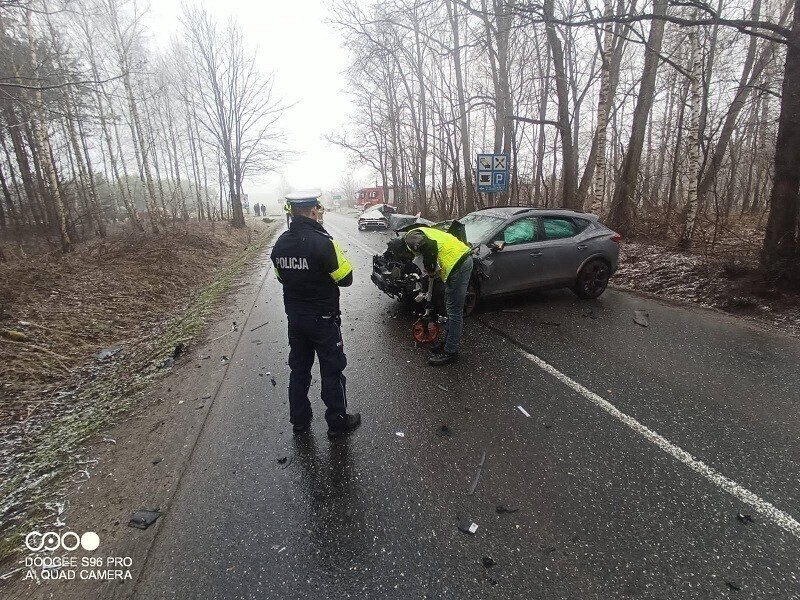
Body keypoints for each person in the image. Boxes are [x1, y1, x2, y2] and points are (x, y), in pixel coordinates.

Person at [271, 191, 361, 437]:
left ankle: (299, 421)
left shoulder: (280, 243)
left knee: (299, 369)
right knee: (332, 370)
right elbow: (346, 279)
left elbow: (281, 277)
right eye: (318, 211)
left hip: (296, 319)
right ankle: (337, 423)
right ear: (313, 212)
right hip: (323, 319)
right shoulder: (323, 242)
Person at [403, 226, 473, 366]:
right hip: (458, 260)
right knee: (449, 306)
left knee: (454, 312)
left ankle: (451, 352)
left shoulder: (410, 238)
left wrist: (429, 269)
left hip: (457, 264)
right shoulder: (422, 230)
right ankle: (448, 342)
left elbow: (429, 246)